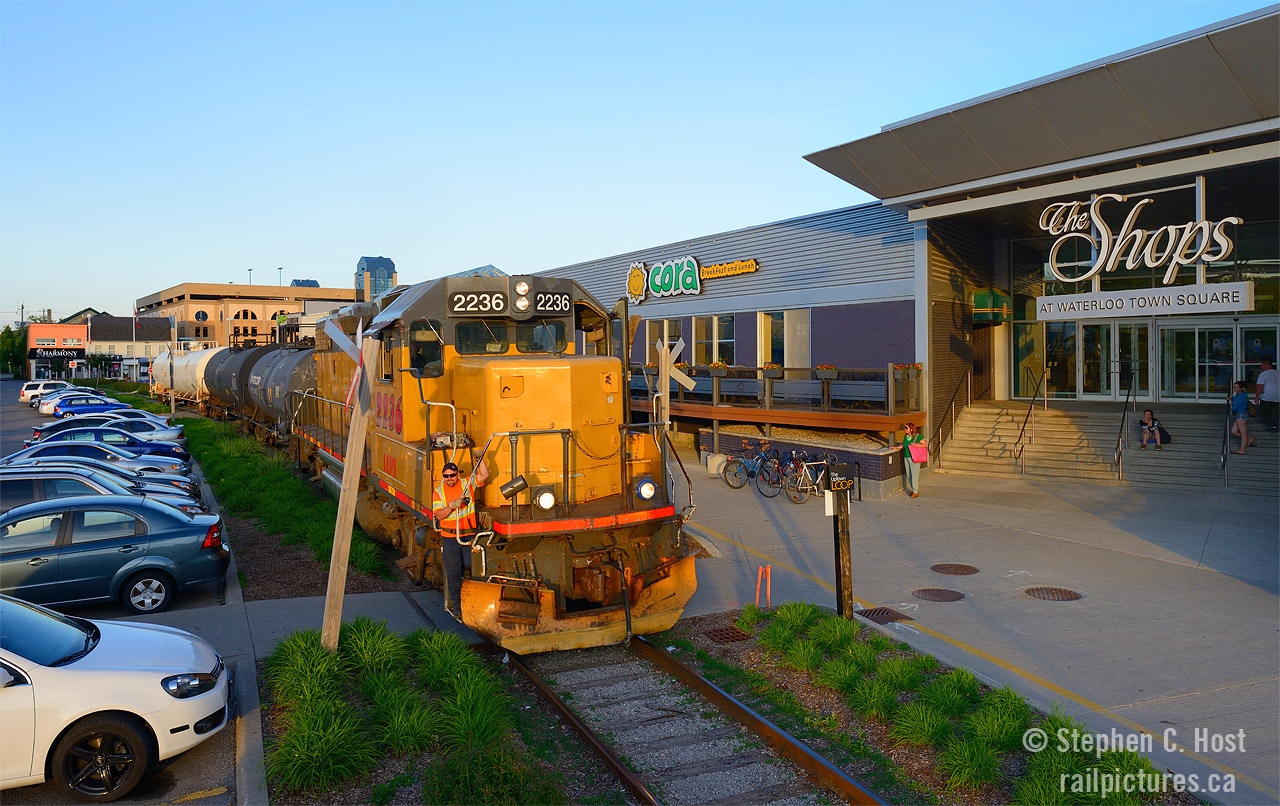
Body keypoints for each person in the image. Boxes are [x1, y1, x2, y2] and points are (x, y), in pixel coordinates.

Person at [432, 454, 489, 618]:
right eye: (446, 476)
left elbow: (484, 475)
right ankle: (457, 607)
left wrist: (480, 460)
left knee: (472, 568)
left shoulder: (466, 483)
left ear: (458, 474)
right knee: (453, 572)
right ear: (443, 477)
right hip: (450, 537)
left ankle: (473, 603)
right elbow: (440, 516)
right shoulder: (439, 492)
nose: (449, 478)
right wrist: (451, 506)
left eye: (452, 475)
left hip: (468, 535)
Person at [1229, 381, 1255, 455]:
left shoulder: (1242, 396)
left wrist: (1232, 409)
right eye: (1234, 387)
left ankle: (1242, 450)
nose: (1235, 388)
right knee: (1233, 431)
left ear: (1241, 388)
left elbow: (1234, 407)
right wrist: (1230, 399)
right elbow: (1234, 399)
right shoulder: (1240, 395)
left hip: (1241, 415)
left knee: (1243, 433)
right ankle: (1249, 439)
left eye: (1237, 387)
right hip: (1239, 415)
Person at [901, 422, 925, 498]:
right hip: (906, 457)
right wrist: (895, 448)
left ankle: (915, 491)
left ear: (911, 429)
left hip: (915, 458)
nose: (905, 429)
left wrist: (915, 445)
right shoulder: (906, 437)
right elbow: (903, 445)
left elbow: (925, 444)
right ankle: (914, 488)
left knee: (914, 474)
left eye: (906, 428)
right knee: (909, 474)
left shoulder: (918, 436)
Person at [1255, 358, 1279, 432]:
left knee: (1266, 412)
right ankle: (1277, 425)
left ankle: (1272, 426)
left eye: (1262, 366)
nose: (1261, 367)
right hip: (1279, 397)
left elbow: (1260, 387)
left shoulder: (1263, 374)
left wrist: (1257, 397)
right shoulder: (1278, 373)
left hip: (1267, 397)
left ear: (1267, 365)